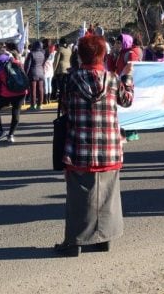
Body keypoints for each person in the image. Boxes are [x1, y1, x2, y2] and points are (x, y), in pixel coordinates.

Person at [54, 34, 134, 256]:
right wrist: (128, 78)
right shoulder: (113, 78)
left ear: (80, 55)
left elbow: (67, 108)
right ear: (103, 54)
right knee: (108, 196)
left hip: (79, 149)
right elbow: (127, 100)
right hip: (109, 148)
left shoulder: (70, 80)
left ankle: (74, 242)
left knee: (78, 198)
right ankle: (104, 239)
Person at [0, 46, 28, 142]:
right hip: (21, 92)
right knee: (16, 112)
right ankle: (11, 135)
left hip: (6, 93)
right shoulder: (16, 62)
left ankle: (0, 131)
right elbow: (24, 75)